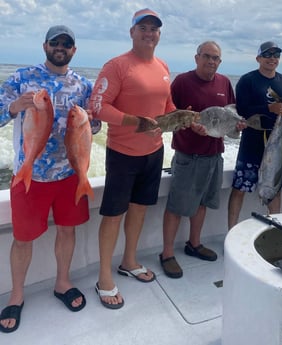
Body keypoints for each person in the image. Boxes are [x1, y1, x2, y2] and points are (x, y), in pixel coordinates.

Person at [0, 25, 95, 333]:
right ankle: (16, 295)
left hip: (69, 174)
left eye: (67, 44)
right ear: (45, 45)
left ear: (74, 50)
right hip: (31, 175)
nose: (61, 47)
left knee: (67, 232)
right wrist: (15, 106)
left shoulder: (83, 85)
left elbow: (94, 129)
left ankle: (62, 283)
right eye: (55, 42)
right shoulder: (22, 77)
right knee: (23, 238)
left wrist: (91, 123)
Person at [90, 8, 177, 308]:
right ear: (132, 32)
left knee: (139, 210)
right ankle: (104, 276)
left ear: (159, 34)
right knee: (113, 215)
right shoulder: (116, 66)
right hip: (123, 154)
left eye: (154, 28)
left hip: (154, 153)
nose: (149, 33)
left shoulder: (163, 65)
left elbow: (166, 105)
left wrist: (185, 118)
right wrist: (133, 122)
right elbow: (98, 106)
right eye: (143, 27)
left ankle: (129, 261)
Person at [159, 41, 239, 278]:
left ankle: (194, 244)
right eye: (207, 56)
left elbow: (231, 115)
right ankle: (166, 254)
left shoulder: (224, 82)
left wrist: (238, 125)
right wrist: (190, 125)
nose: (211, 61)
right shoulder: (182, 82)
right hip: (188, 155)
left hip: (214, 154)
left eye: (215, 58)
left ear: (220, 62)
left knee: (202, 203)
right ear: (196, 58)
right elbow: (168, 115)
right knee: (176, 206)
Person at [228, 41, 282, 230]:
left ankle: (273, 232)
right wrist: (269, 108)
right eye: (268, 55)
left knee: (275, 188)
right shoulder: (247, 80)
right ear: (258, 58)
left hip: (277, 143)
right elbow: (241, 110)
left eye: (276, 55)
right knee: (240, 188)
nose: (272, 59)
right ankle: (231, 232)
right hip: (252, 141)